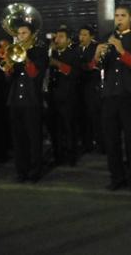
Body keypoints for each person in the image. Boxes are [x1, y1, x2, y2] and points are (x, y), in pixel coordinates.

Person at [92, 5, 131, 192]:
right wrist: (97, 54)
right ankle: (116, 177)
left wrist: (122, 51)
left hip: (128, 95)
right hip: (110, 95)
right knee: (111, 139)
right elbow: (96, 66)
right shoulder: (109, 36)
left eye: (123, 16)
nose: (119, 19)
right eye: (116, 16)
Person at [4, 23, 49, 182]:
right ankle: (21, 171)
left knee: (34, 138)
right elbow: (9, 79)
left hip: (32, 100)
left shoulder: (40, 52)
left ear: (31, 35)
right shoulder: (13, 52)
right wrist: (8, 65)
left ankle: (35, 171)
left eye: (24, 33)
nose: (21, 36)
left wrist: (26, 58)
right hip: (15, 100)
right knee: (18, 138)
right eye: (19, 33)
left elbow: (35, 75)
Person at [47, 28, 79, 166]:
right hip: (52, 96)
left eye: (61, 37)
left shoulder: (73, 54)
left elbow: (74, 73)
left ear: (68, 40)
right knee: (55, 128)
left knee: (68, 127)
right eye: (56, 37)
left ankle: (71, 156)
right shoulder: (51, 53)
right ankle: (58, 155)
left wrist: (57, 64)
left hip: (67, 97)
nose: (57, 39)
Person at [76, 25, 102, 153]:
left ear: (91, 37)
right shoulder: (76, 48)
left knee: (94, 116)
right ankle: (86, 143)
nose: (81, 37)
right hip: (79, 87)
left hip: (92, 87)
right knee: (83, 116)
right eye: (80, 34)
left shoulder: (95, 48)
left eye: (85, 35)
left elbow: (94, 65)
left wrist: (86, 66)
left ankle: (99, 142)